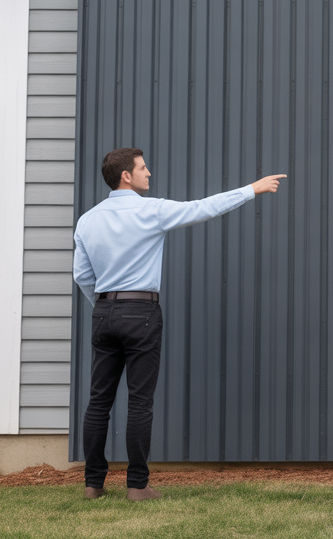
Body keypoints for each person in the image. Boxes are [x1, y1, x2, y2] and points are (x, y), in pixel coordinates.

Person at [73, 147, 285, 501]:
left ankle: (93, 485)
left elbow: (82, 275)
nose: (149, 173)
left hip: (104, 311)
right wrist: (253, 189)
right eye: (143, 168)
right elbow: (202, 208)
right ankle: (137, 487)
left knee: (99, 401)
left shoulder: (87, 220)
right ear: (126, 175)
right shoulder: (151, 210)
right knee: (139, 403)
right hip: (140, 312)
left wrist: (104, 305)